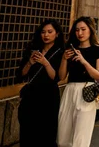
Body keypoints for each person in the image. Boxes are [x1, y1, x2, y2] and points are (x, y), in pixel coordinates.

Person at [58, 17, 99, 147]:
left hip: (87, 92)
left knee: (81, 137)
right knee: (63, 136)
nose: (80, 33)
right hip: (70, 90)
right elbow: (62, 77)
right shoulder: (70, 49)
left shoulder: (98, 50)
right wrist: (64, 59)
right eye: (77, 30)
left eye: (83, 29)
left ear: (90, 30)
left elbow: (98, 76)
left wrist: (84, 61)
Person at [18, 19, 64, 147]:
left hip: (48, 97)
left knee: (46, 134)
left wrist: (45, 63)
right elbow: (21, 74)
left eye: (50, 32)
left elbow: (56, 78)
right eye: (43, 32)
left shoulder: (60, 52)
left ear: (57, 34)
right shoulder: (33, 49)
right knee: (27, 132)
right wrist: (30, 63)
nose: (46, 35)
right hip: (31, 95)